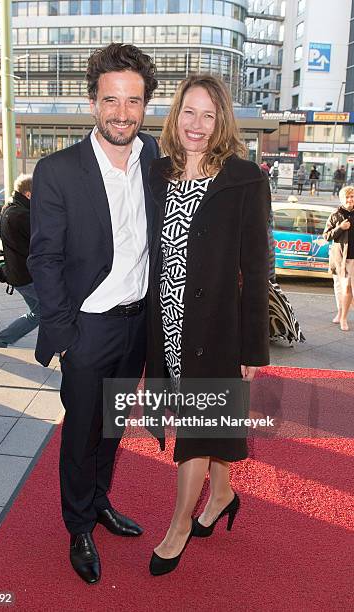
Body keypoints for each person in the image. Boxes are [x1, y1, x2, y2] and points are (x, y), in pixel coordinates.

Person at [27, 43, 159, 585]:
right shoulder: (58, 169)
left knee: (112, 429)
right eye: (111, 100)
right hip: (88, 328)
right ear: (92, 103)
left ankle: (100, 502)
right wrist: (65, 337)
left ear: (146, 105)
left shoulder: (157, 157)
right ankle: (78, 525)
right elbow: (45, 257)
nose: (122, 112)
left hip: (139, 326)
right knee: (81, 434)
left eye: (133, 101)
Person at [146, 75, 270, 576]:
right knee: (204, 420)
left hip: (218, 326)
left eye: (208, 115)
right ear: (176, 116)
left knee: (197, 428)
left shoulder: (244, 178)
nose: (196, 125)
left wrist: (253, 347)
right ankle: (221, 496)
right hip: (166, 324)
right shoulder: (155, 172)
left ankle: (178, 527)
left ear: (221, 122)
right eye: (188, 113)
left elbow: (260, 266)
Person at [0, 174, 39, 348]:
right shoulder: (22, 215)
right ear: (29, 194)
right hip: (26, 275)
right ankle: (1, 339)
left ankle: (53, 344)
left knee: (41, 311)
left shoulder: (10, 208)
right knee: (42, 312)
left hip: (18, 272)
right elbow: (40, 243)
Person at [268, 210, 305, 345]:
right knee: (271, 303)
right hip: (265, 267)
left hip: (263, 267)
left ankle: (274, 330)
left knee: (269, 303)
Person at [323, 185, 354, 331]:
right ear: (342, 199)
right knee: (342, 287)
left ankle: (343, 315)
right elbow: (326, 236)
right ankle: (342, 315)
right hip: (340, 258)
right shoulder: (335, 214)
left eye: (352, 197)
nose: (350, 200)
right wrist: (340, 227)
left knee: (347, 288)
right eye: (347, 197)